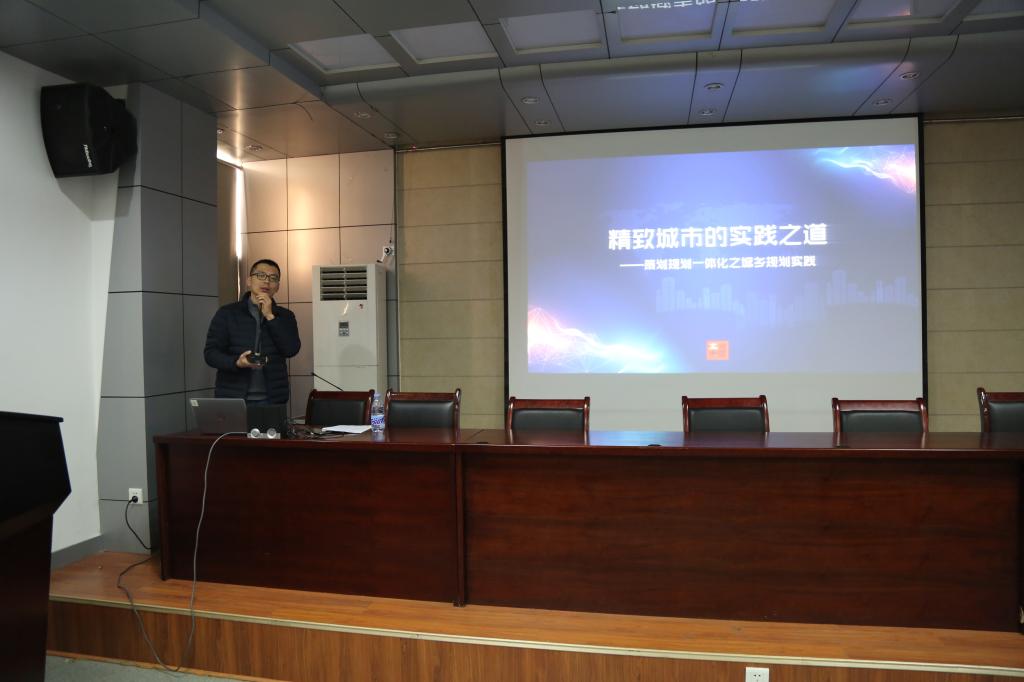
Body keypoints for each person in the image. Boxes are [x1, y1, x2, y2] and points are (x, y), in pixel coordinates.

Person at [204, 259, 300, 404]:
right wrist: (237, 362)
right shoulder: (227, 313)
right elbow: (211, 354)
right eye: (261, 275)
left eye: (273, 278)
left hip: (272, 399)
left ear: (278, 286)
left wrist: (270, 316)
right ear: (249, 281)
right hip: (233, 397)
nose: (267, 281)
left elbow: (291, 350)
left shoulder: (286, 316)